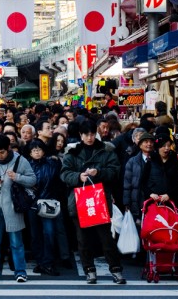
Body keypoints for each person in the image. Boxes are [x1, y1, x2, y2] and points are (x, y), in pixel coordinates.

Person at [60, 119, 126, 285]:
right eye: (86, 134)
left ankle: (116, 270)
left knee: (106, 238)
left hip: (100, 199)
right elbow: (64, 174)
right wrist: (78, 176)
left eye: (92, 134)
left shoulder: (106, 150)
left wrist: (99, 172)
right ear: (81, 135)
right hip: (80, 200)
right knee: (83, 240)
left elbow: (115, 171)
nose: (89, 137)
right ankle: (89, 270)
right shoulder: (72, 153)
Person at [0, 134, 35, 283]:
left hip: (13, 209)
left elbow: (33, 179)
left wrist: (17, 177)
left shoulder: (20, 160)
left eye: (2, 152)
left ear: (8, 148)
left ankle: (21, 272)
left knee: (16, 243)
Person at [26, 138, 62, 276]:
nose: (36, 152)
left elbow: (58, 180)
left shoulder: (52, 163)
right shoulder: (27, 165)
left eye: (39, 149)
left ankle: (48, 262)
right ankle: (41, 262)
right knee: (35, 235)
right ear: (29, 153)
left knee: (49, 233)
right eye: (33, 150)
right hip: (32, 204)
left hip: (48, 203)